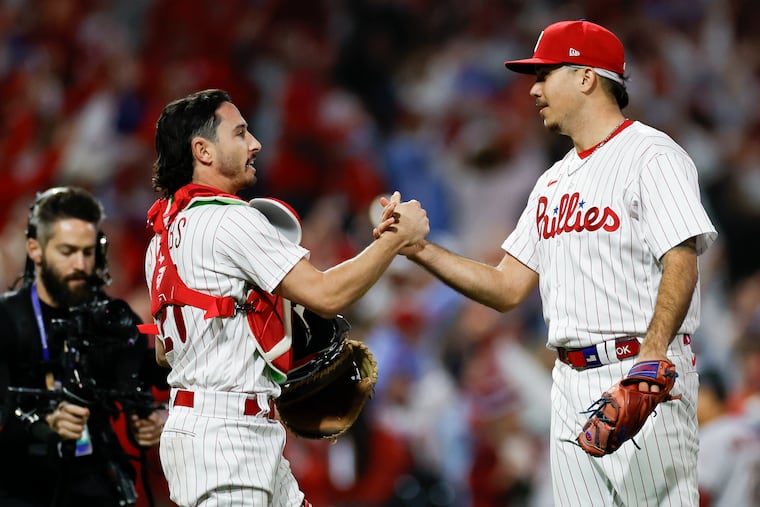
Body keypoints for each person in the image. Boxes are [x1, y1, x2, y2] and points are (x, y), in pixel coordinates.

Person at [377, 20, 717, 506]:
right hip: (568, 384)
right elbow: (506, 287)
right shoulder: (552, 183)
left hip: (641, 377)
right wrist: (420, 251)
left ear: (586, 77)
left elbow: (681, 259)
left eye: (545, 74)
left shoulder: (652, 155)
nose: (533, 88)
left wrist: (653, 353)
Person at [143, 88, 428, 506]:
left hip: (217, 430)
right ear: (202, 151)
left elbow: (164, 353)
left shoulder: (162, 238)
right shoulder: (231, 219)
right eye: (239, 133)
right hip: (229, 439)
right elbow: (326, 295)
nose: (255, 143)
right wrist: (394, 241)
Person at [0, 186, 168, 507]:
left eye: (88, 252)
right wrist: (42, 424)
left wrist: (149, 423)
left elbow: (141, 395)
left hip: (97, 490)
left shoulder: (115, 321)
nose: (80, 264)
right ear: (35, 250)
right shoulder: (8, 321)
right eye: (67, 252)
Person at [696, 368, 760, 507]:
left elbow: (702, 494)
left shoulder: (712, 434)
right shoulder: (746, 431)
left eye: (698, 395)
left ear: (710, 396)